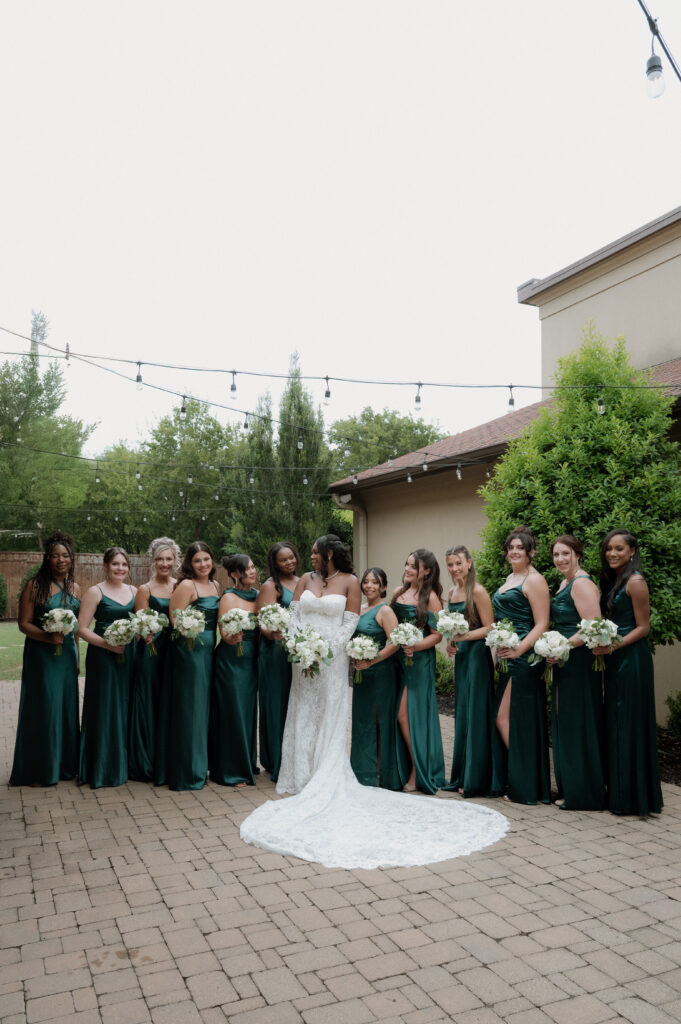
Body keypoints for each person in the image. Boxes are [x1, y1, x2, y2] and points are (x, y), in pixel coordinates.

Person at [240, 536, 508, 870]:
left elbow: (353, 622)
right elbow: (294, 614)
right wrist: (300, 644)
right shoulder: (315, 582)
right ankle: (298, 773)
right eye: (408, 565)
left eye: (314, 553)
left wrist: (328, 650)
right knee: (303, 713)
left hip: (336, 657)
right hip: (303, 656)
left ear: (329, 555)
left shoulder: (359, 584)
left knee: (370, 715)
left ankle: (417, 773)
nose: (308, 557)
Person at [594, 529, 662, 816]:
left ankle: (633, 796)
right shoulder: (614, 580)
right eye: (609, 548)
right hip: (614, 660)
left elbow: (644, 627)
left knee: (629, 722)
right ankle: (620, 792)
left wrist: (614, 645)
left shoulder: (635, 582)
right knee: (617, 722)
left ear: (632, 551)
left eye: (619, 549)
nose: (612, 553)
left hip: (631, 661)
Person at [10, 531, 81, 787]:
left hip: (67, 656)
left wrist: (77, 658)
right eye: (54, 556)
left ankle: (65, 766)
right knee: (45, 707)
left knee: (65, 708)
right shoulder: (35, 585)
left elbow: (75, 628)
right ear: (47, 559)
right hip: (41, 655)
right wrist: (47, 637)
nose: (60, 560)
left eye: (65, 556)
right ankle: (41, 767)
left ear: (71, 559)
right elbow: (23, 624)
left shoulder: (76, 587)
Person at [490, 527, 551, 804]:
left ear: (531, 552)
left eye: (520, 548)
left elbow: (542, 623)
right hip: (507, 657)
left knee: (505, 719)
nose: (514, 551)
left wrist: (519, 649)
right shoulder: (510, 577)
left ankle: (525, 781)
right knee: (513, 720)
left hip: (524, 658)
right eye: (511, 547)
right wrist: (497, 648)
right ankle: (526, 780)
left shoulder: (535, 580)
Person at [156, 541, 219, 791]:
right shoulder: (186, 585)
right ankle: (186, 771)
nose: (203, 564)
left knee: (203, 710)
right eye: (197, 561)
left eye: (206, 559)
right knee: (190, 709)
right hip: (189, 653)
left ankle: (200, 765)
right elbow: (175, 619)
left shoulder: (215, 585)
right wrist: (190, 631)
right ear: (189, 564)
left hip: (209, 655)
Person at [549, 535, 606, 811]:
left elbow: (592, 627)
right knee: (566, 721)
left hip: (579, 662)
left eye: (565, 553)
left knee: (578, 721)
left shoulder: (582, 583)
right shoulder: (564, 582)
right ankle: (571, 787)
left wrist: (561, 645)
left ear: (577, 554)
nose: (560, 559)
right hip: (565, 661)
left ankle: (584, 792)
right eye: (556, 554)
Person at [78, 547, 136, 788]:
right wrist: (107, 645)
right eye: (115, 564)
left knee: (126, 705)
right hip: (103, 656)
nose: (120, 568)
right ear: (105, 566)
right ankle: (101, 768)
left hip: (129, 656)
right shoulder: (95, 591)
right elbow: (81, 628)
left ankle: (126, 764)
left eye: (124, 564)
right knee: (104, 707)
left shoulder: (134, 591)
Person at [442, 545, 494, 798]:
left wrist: (463, 637)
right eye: (450, 564)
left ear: (469, 563)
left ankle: (476, 779)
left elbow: (490, 628)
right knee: (462, 713)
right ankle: (462, 775)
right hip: (462, 659)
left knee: (475, 714)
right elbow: (452, 630)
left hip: (477, 659)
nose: (454, 569)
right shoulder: (452, 592)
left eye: (458, 563)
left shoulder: (478, 591)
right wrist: (451, 642)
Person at [392, 549, 445, 794]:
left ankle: (417, 771)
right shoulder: (398, 593)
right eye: (407, 564)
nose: (408, 569)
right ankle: (401, 767)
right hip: (397, 661)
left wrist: (415, 645)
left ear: (427, 571)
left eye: (414, 566)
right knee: (400, 715)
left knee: (407, 717)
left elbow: (437, 635)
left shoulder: (431, 598)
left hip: (420, 662)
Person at [128, 537, 180, 782]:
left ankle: (168, 759)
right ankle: (146, 761)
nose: (164, 563)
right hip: (151, 651)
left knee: (170, 702)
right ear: (153, 561)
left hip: (175, 651)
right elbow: (139, 624)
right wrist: (145, 632)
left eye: (169, 558)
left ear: (176, 560)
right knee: (149, 700)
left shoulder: (181, 586)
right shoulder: (144, 590)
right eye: (160, 559)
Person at [209, 553, 259, 787]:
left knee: (247, 712)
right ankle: (231, 770)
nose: (252, 571)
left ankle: (247, 762)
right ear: (234, 574)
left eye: (252, 567)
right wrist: (233, 636)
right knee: (233, 713)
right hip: (231, 661)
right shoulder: (228, 598)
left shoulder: (259, 596)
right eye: (245, 569)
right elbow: (225, 634)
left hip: (251, 662)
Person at [349, 567, 401, 790]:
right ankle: (362, 773)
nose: (369, 586)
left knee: (379, 722)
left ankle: (380, 776)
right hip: (362, 677)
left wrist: (371, 661)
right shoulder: (359, 610)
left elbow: (395, 642)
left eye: (375, 582)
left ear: (384, 587)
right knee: (362, 722)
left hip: (381, 675)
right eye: (366, 582)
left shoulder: (385, 611)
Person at [256, 542, 300, 781]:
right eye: (283, 560)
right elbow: (263, 621)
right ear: (275, 563)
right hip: (276, 653)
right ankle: (276, 759)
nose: (289, 562)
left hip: (299, 652)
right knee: (277, 703)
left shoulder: (303, 581)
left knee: (295, 702)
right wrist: (273, 634)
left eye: (291, 557)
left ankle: (294, 755)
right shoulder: (270, 586)